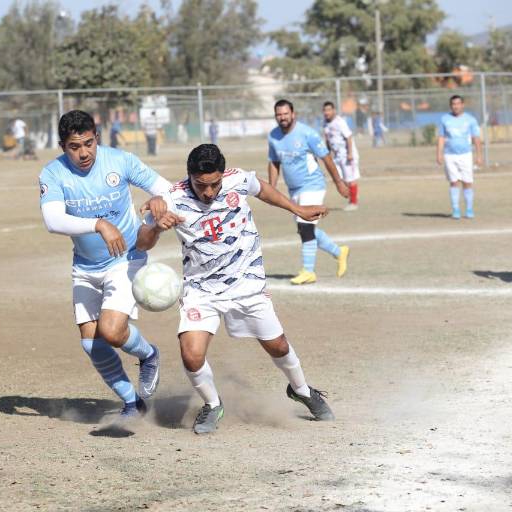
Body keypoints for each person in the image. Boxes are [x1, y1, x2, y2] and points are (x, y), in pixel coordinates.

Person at [136, 144, 335, 434]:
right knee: (191, 354)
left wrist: (297, 208)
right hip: (201, 289)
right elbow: (142, 242)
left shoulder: (238, 179)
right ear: (189, 177)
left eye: (214, 184)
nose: (208, 192)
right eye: (201, 185)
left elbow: (262, 188)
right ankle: (212, 404)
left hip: (247, 282)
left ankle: (302, 390)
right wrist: (155, 227)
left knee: (278, 346)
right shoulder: (170, 198)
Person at [38, 110, 171, 418]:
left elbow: (165, 187)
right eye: (74, 146)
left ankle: (149, 354)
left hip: (126, 260)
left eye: (88, 143)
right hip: (85, 266)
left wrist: (157, 201)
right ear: (62, 146)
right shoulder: (52, 174)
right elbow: (53, 220)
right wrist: (99, 223)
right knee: (90, 342)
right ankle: (132, 403)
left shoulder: (120, 160)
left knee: (111, 332)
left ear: (97, 138)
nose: (83, 152)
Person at [268, 99, 350, 285]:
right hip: (294, 189)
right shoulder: (273, 136)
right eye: (278, 114)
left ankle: (308, 271)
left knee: (305, 226)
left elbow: (326, 158)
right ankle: (339, 252)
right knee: (304, 228)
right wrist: (271, 189)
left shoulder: (307, 134)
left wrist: (339, 182)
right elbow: (273, 162)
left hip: (312, 184)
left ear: (293, 114)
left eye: (285, 113)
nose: (282, 117)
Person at [437, 95, 482, 219]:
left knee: (467, 182)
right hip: (449, 155)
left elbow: (476, 138)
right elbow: (441, 137)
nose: (455, 106)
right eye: (453, 104)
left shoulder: (470, 120)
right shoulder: (444, 119)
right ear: (450, 105)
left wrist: (479, 155)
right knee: (453, 182)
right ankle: (455, 209)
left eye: (458, 104)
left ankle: (469, 209)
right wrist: (439, 154)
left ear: (462, 105)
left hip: (466, 154)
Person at [323, 101, 361, 211]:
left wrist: (350, 153)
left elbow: (349, 137)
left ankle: (353, 203)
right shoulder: (325, 123)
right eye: (325, 110)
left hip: (346, 155)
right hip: (337, 155)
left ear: (333, 110)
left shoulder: (340, 122)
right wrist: (328, 153)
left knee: (350, 178)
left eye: (329, 110)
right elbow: (327, 138)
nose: (326, 112)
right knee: (339, 178)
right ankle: (353, 195)